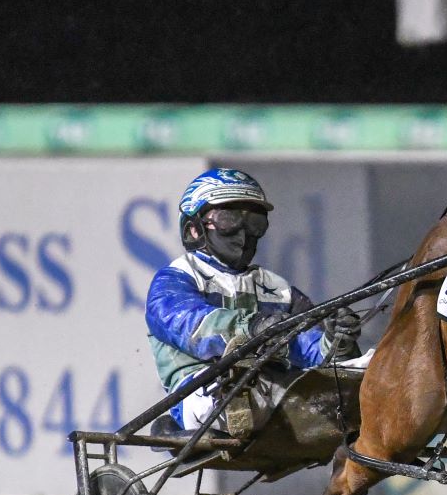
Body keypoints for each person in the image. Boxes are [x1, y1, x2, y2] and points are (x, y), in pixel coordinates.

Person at [146, 168, 362, 430]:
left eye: (255, 222)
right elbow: (192, 328)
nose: (243, 233)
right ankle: (243, 405)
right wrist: (252, 327)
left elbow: (311, 351)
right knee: (236, 390)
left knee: (368, 370)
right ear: (194, 229)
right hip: (199, 391)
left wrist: (337, 341)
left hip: (277, 389)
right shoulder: (176, 278)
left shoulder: (278, 288)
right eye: (229, 219)